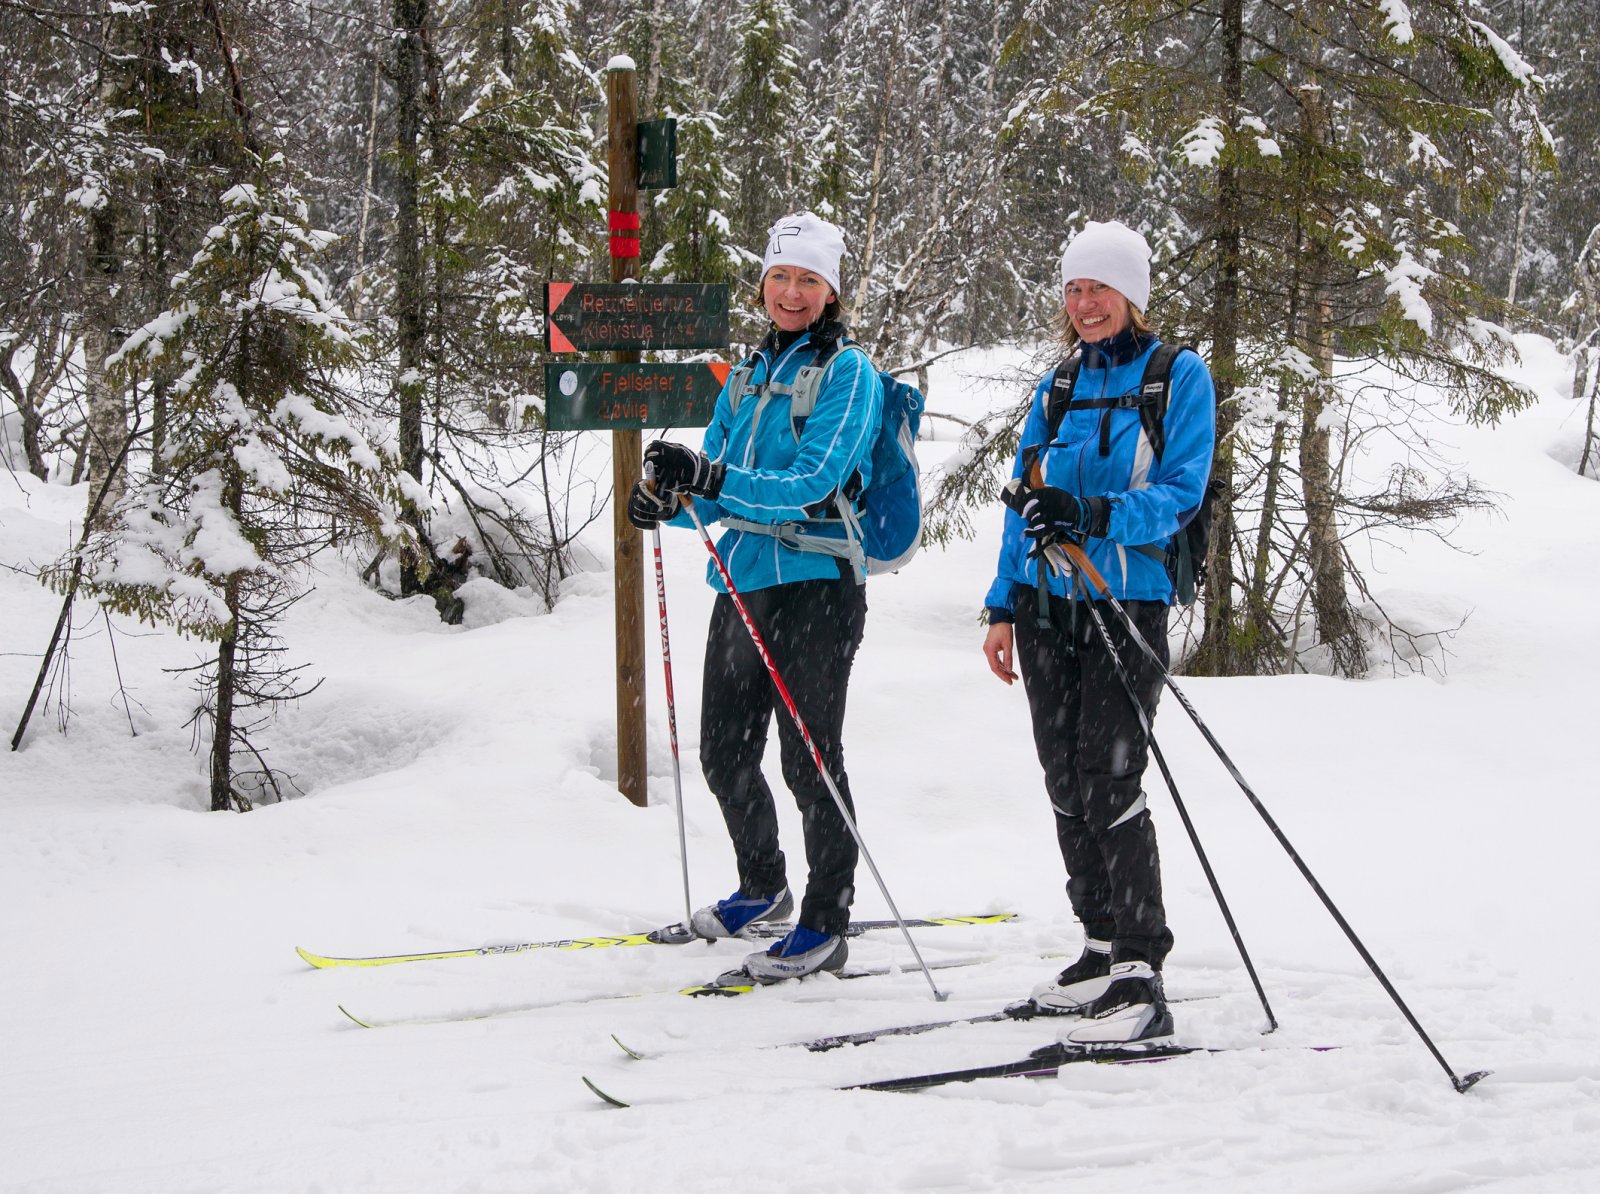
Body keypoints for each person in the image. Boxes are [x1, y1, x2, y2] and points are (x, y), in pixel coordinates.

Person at [626, 212, 882, 982]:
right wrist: (671, 500)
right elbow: (725, 482)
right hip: (743, 584)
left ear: (831, 290)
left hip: (816, 588)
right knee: (725, 752)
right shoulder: (746, 373)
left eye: (809, 280)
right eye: (780, 277)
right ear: (763, 283)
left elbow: (812, 485)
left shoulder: (848, 374)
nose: (792, 292)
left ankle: (826, 920)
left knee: (810, 761)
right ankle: (763, 885)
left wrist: (710, 482)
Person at [981, 220, 1216, 1046]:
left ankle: (1142, 964)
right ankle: (1099, 942)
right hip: (1048, 609)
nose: (1085, 305)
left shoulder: (1176, 376)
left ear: (1133, 296)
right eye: (1074, 291)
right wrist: (1003, 603)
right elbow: (1026, 499)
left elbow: (1182, 493)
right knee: (1063, 779)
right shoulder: (1059, 385)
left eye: (1100, 290)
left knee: (1109, 777)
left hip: (1126, 601)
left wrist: (1095, 512)